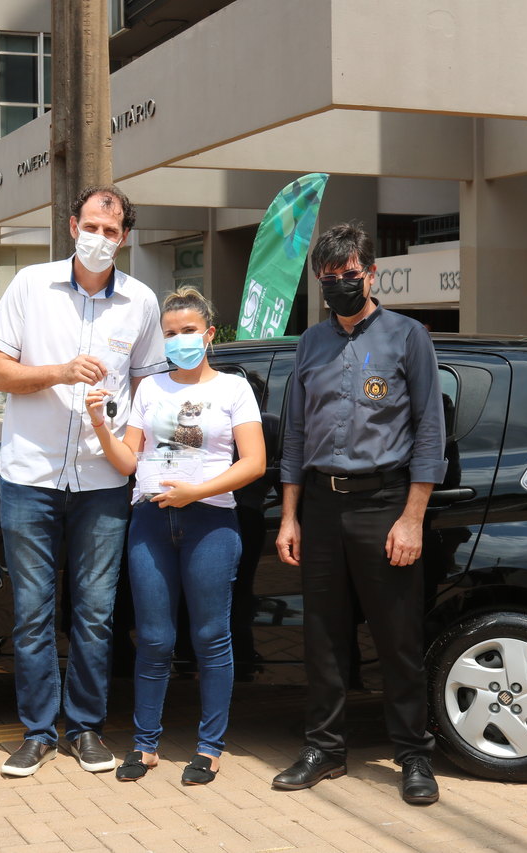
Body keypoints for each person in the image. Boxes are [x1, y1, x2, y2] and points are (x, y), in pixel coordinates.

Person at [0, 185, 168, 776]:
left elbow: (148, 389)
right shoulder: (30, 285)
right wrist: (61, 372)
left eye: (111, 231)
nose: (99, 239)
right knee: (32, 613)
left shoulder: (140, 301)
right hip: (30, 475)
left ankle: (86, 727)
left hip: (103, 480)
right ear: (72, 226)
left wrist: (134, 451)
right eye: (91, 227)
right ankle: (37, 731)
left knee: (95, 613)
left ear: (125, 237)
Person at [273, 222, 446, 805]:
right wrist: (290, 516)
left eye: (349, 274)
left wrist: (412, 517)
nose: (339, 285)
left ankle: (414, 755)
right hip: (321, 506)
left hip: (383, 504)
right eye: (328, 278)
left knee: (397, 637)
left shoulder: (408, 337)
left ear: (371, 274)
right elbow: (295, 436)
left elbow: (429, 432)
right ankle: (324, 749)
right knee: (322, 636)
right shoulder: (309, 343)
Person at [86, 287, 265, 785]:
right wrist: (100, 425)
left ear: (209, 334)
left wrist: (196, 492)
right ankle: (145, 746)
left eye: (188, 330)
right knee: (154, 639)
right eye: (170, 333)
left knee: (210, 637)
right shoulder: (150, 389)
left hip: (211, 521)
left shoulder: (233, 389)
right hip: (151, 520)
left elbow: (254, 462)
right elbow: (128, 461)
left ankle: (209, 748)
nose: (179, 340)